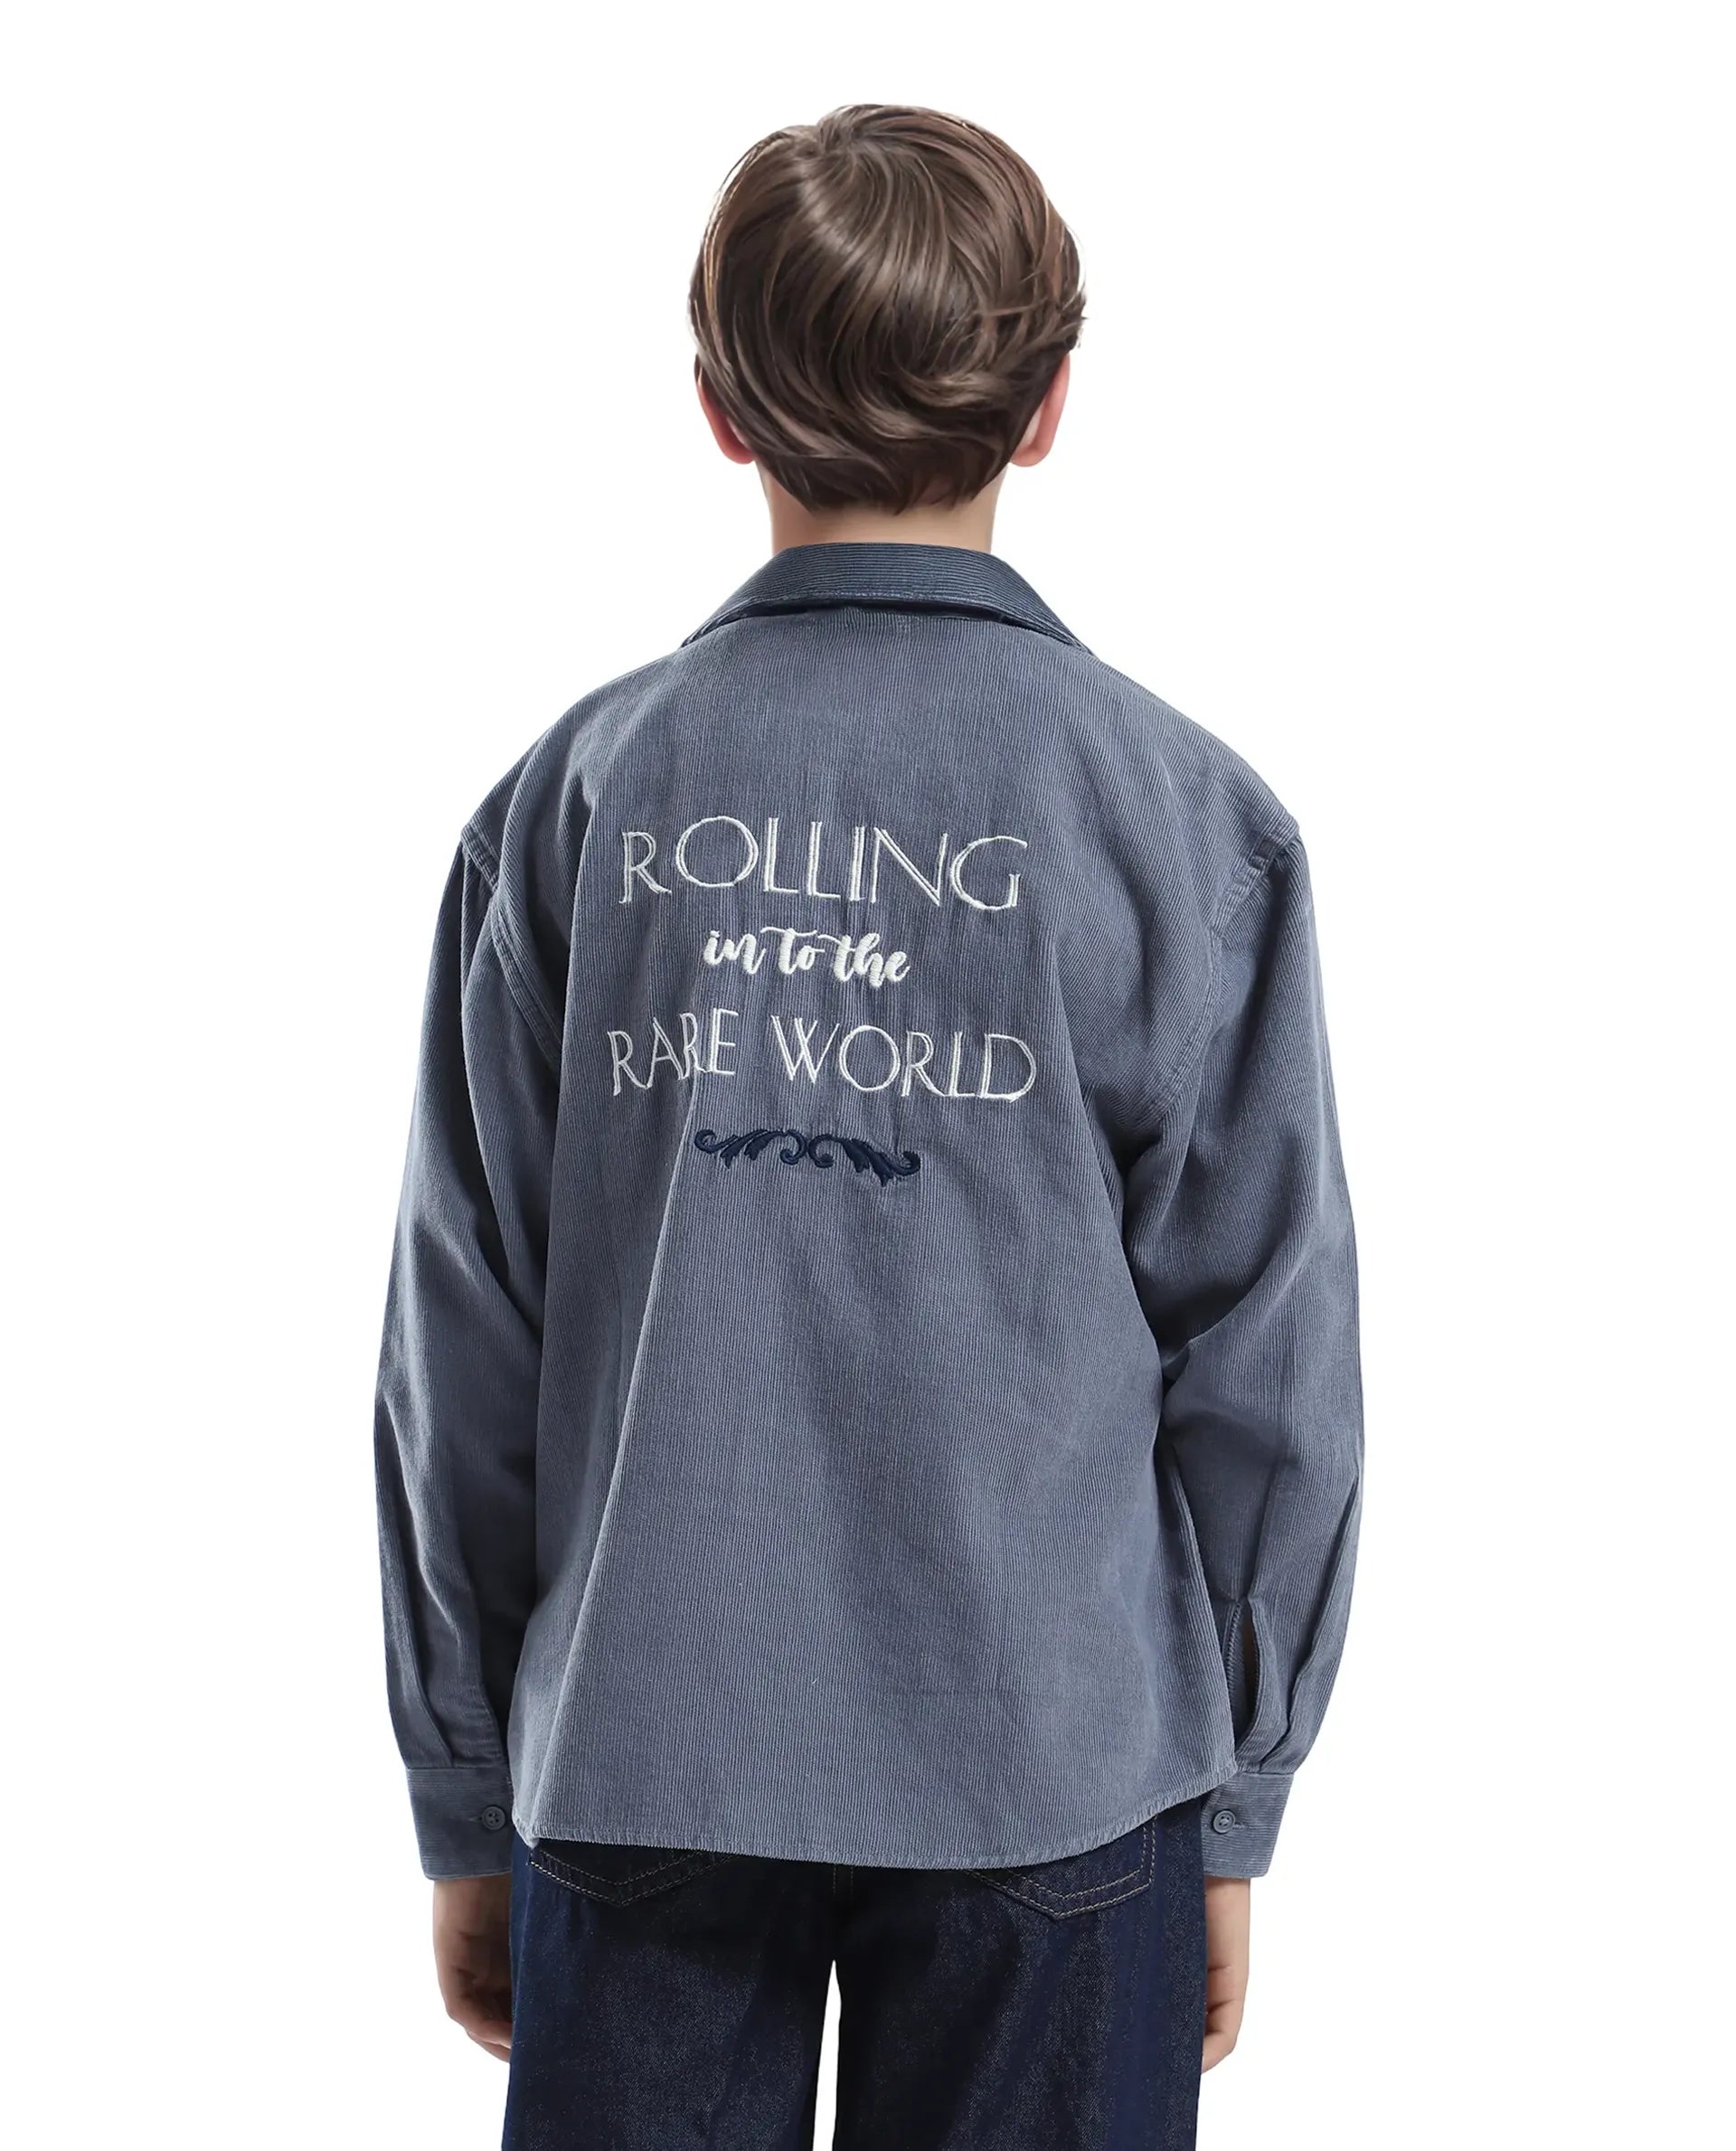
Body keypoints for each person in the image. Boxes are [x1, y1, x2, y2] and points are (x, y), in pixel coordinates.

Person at [373, 103, 1362, 2151]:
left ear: (721, 407)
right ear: (1052, 405)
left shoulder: (573, 805)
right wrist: (1237, 1793)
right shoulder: (1185, 823)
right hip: (1057, 1769)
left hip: (644, 1747)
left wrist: (466, 1781)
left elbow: (462, 1344)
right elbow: (1270, 1370)